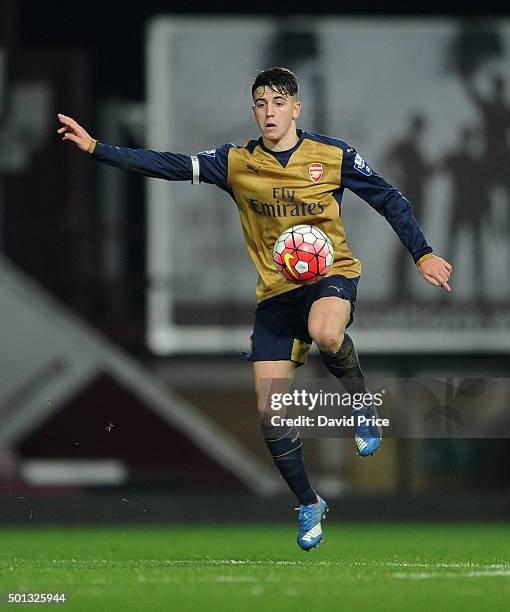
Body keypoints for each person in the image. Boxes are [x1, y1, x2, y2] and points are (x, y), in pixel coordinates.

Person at [57, 67, 452, 551]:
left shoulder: (331, 155)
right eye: (262, 104)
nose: (270, 112)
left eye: (279, 103)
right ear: (254, 111)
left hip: (331, 277)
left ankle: (359, 404)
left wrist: (423, 252)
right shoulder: (237, 161)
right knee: (270, 413)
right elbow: (172, 164)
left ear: (296, 109)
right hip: (275, 295)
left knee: (327, 333)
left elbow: (392, 199)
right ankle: (309, 502)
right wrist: (99, 148)